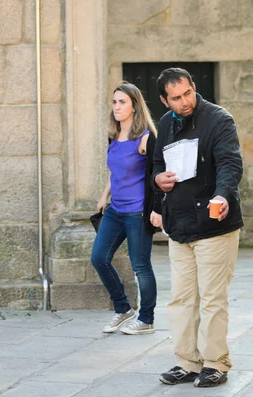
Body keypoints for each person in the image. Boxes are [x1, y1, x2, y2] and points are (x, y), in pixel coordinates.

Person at [152, 68, 244, 388]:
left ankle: (215, 363)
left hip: (214, 223)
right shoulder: (165, 124)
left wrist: (222, 194)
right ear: (165, 101)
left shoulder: (219, 120)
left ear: (193, 87)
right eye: (176, 98)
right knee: (181, 298)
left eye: (188, 93)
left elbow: (230, 163)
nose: (185, 102)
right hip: (179, 225)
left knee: (212, 298)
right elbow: (157, 165)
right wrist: (157, 182)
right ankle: (186, 361)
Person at [90, 82, 163, 335]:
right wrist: (103, 196)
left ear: (134, 106)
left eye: (122, 102)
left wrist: (156, 210)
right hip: (115, 210)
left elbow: (157, 177)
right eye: (114, 102)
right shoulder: (113, 137)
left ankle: (146, 318)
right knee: (99, 258)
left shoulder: (145, 139)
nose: (117, 107)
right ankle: (123, 309)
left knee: (140, 265)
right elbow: (114, 171)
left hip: (137, 211)